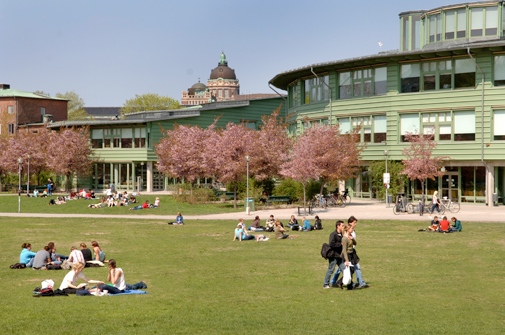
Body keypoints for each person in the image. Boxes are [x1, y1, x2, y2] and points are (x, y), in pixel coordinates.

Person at [348, 216, 368, 289]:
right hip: (349, 253)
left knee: (356, 267)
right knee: (342, 268)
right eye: (354, 222)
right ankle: (333, 281)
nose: (355, 224)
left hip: (352, 252)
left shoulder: (353, 231)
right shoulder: (348, 233)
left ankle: (360, 282)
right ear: (350, 223)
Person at [323, 220, 344, 289]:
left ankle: (349, 283)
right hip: (334, 256)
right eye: (342, 226)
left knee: (344, 269)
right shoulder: (333, 234)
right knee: (331, 269)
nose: (343, 227)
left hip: (339, 256)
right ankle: (326, 284)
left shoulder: (341, 234)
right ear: (338, 226)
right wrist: (340, 244)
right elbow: (331, 244)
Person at [341, 225, 357, 290]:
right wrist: (347, 260)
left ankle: (341, 283)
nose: (352, 230)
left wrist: (352, 239)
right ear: (347, 229)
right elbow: (344, 250)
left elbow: (355, 244)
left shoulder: (350, 236)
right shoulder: (344, 238)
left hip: (351, 254)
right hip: (347, 255)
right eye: (351, 228)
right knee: (350, 270)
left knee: (352, 270)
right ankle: (349, 286)